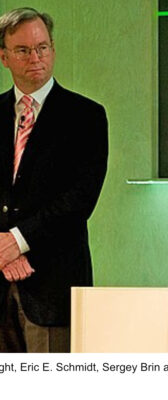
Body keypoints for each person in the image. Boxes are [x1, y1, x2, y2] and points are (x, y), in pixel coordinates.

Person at [0, 8, 108, 352]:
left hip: (52, 288)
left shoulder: (86, 116)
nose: (36, 57)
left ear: (53, 50)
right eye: (23, 50)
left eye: (42, 47)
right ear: (3, 57)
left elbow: (78, 201)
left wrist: (16, 241)